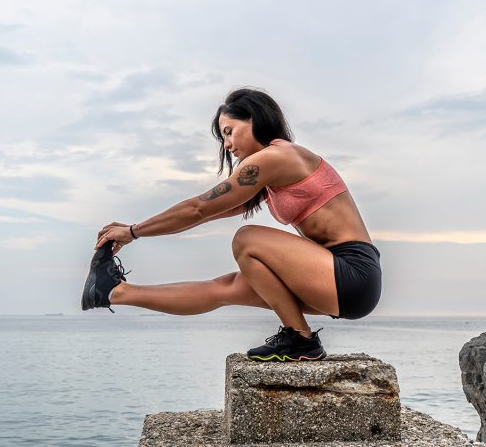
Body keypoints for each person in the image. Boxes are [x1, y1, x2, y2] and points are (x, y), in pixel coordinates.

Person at [81, 88, 382, 362]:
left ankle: (300, 339)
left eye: (229, 132)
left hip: (352, 273)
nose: (227, 145)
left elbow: (198, 208)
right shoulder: (270, 173)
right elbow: (206, 212)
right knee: (224, 287)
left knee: (247, 239)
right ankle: (114, 293)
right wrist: (139, 229)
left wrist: (133, 232)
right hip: (333, 280)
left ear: (254, 118)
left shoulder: (278, 156)